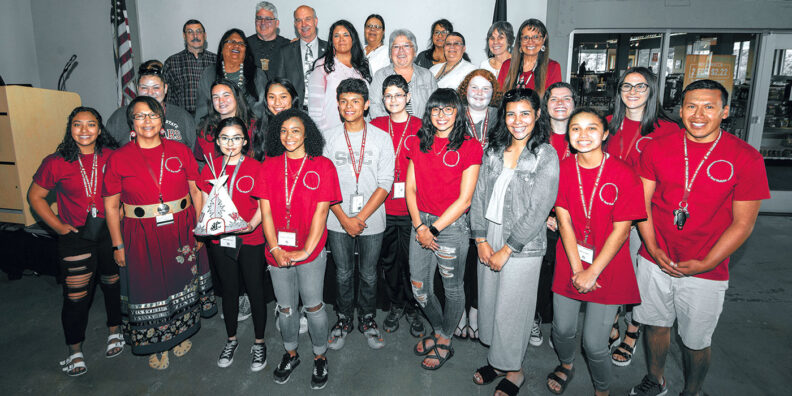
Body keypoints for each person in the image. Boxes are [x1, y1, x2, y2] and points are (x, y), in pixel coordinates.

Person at [629, 80, 769, 396]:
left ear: (725, 111)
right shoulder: (657, 147)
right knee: (655, 325)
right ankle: (655, 378)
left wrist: (707, 262)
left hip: (708, 268)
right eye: (691, 106)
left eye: (709, 106)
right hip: (655, 259)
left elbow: (743, 224)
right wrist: (651, 247)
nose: (699, 114)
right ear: (680, 111)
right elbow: (643, 203)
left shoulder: (746, 158)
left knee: (696, 341)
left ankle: (692, 390)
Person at [103, 96, 214, 370]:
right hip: (140, 233)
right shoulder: (119, 158)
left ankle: (179, 335)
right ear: (132, 124)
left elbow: (196, 190)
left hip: (181, 230)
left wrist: (199, 228)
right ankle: (157, 342)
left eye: (152, 115)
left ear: (162, 121)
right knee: (149, 287)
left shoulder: (179, 150)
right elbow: (111, 205)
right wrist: (118, 245)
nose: (147, 121)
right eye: (140, 116)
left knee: (180, 283)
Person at [546, 107, 645, 395]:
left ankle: (602, 389)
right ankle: (566, 363)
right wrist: (578, 269)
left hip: (608, 264)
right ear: (568, 134)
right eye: (576, 128)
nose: (583, 135)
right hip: (572, 258)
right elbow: (563, 219)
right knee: (562, 330)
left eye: (592, 128)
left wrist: (592, 271)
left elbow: (622, 230)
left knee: (594, 343)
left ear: (604, 134)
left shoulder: (624, 174)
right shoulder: (562, 169)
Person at [470, 88, 559, 396]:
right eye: (510, 114)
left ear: (537, 115)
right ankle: (498, 361)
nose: (517, 120)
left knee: (514, 308)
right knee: (492, 302)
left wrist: (508, 248)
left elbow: (539, 210)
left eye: (525, 113)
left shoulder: (545, 154)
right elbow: (479, 194)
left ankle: (515, 371)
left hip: (523, 241)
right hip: (490, 232)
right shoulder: (493, 150)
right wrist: (480, 238)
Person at [30, 107, 122, 377]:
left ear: (99, 128)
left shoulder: (111, 156)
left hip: (110, 232)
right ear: (70, 129)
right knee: (76, 296)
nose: (84, 130)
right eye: (78, 125)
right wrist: (58, 226)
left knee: (113, 285)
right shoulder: (55, 161)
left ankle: (115, 332)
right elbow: (35, 196)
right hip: (75, 238)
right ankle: (74, 350)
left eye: (91, 124)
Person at [255, 109, 341, 389]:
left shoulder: (323, 166)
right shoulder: (268, 166)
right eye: (283, 130)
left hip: (311, 251)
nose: (288, 136)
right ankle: (291, 353)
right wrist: (276, 247)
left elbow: (321, 214)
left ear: (307, 134)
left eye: (295, 130)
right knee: (287, 308)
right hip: (277, 251)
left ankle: (319, 356)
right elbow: (265, 214)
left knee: (314, 306)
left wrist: (305, 252)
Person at [605, 66, 680, 368]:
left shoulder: (668, 130)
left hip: (648, 215)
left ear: (651, 90)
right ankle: (610, 319)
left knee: (640, 276)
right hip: (610, 213)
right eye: (627, 86)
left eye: (640, 86)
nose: (633, 92)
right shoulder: (608, 124)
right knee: (611, 268)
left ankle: (634, 328)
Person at [407, 88, 482, 370]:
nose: (441, 115)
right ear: (429, 113)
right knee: (419, 289)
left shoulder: (469, 146)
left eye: (448, 109)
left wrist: (433, 230)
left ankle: (446, 340)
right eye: (436, 109)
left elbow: (465, 199)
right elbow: (411, 189)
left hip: (449, 227)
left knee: (452, 289)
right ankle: (440, 329)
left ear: (458, 112)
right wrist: (419, 226)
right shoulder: (420, 142)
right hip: (420, 224)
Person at [324, 78, 395, 351]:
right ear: (338, 105)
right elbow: (324, 183)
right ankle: (343, 319)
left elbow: (385, 182)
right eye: (343, 101)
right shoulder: (329, 137)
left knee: (368, 273)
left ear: (366, 105)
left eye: (355, 101)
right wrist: (344, 219)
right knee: (342, 273)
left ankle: (367, 318)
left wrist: (360, 218)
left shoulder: (381, 138)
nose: (349, 106)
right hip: (336, 217)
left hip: (372, 219)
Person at [198, 117, 272, 371]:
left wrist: (252, 224)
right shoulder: (210, 168)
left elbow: (265, 205)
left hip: (251, 238)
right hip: (221, 241)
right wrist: (206, 227)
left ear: (245, 140)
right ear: (217, 141)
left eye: (237, 138)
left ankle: (259, 342)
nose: (231, 143)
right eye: (225, 138)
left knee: (255, 291)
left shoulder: (256, 167)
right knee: (229, 291)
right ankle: (231, 339)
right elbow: (206, 205)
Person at [371, 74, 426, 337]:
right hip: (383, 209)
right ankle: (395, 305)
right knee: (390, 261)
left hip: (412, 209)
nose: (393, 100)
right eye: (388, 96)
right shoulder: (376, 125)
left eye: (398, 95)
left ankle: (414, 307)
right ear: (383, 99)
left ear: (408, 97)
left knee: (412, 263)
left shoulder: (421, 126)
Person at [454, 68, 501, 341]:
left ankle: (476, 311)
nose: (480, 93)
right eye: (474, 88)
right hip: (459, 194)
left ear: (493, 93)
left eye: (486, 88)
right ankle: (458, 310)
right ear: (465, 91)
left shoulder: (502, 118)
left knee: (480, 259)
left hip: (491, 197)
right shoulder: (455, 115)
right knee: (458, 257)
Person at [532, 81, 577, 347]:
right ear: (546, 106)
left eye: (566, 98)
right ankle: (536, 319)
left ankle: (561, 328)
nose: (560, 103)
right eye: (554, 99)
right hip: (544, 218)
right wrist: (546, 215)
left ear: (574, 103)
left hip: (575, 217)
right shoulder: (536, 137)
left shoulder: (584, 134)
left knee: (570, 273)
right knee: (542, 273)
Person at [107, 61, 196, 148]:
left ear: (165, 88)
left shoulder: (183, 117)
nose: (150, 93)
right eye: (144, 88)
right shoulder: (119, 118)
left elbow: (194, 157)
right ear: (137, 88)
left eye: (156, 87)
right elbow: (107, 154)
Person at [307, 19, 372, 132]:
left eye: (346, 35)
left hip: (360, 132)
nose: (341, 39)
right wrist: (325, 135)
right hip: (331, 132)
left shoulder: (363, 65)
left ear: (353, 39)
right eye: (336, 36)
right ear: (332, 41)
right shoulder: (322, 66)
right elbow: (314, 111)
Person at [195, 28, 269, 122]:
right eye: (231, 41)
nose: (236, 45)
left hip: (250, 130)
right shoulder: (209, 73)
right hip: (216, 129)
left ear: (246, 51)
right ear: (222, 48)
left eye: (241, 44)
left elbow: (261, 109)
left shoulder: (258, 75)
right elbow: (202, 110)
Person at [369, 29, 438, 119]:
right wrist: (392, 128)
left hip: (421, 130)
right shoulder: (380, 76)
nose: (401, 50)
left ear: (415, 52)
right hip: (388, 131)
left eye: (406, 46)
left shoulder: (427, 76)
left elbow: (436, 107)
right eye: (396, 46)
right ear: (390, 54)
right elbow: (374, 107)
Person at [195, 79, 263, 165]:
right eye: (216, 97)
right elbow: (200, 161)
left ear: (237, 97)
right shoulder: (205, 129)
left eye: (226, 95)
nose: (221, 101)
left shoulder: (255, 126)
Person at [271, 5, 327, 108]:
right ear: (295, 24)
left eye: (307, 19)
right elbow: (279, 86)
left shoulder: (329, 49)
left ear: (315, 21)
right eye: (299, 20)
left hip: (325, 112)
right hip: (296, 112)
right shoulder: (285, 52)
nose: (303, 24)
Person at [163, 19, 218, 115]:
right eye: (190, 32)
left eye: (198, 32)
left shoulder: (216, 60)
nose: (195, 36)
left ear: (205, 35)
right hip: (183, 117)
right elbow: (167, 97)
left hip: (211, 116)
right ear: (184, 36)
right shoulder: (172, 62)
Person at [498, 19, 561, 97]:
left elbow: (553, 100)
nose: (530, 42)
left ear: (543, 39)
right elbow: (499, 99)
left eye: (535, 37)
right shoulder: (507, 65)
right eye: (525, 37)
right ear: (520, 41)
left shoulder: (553, 67)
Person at [247, 1, 290, 73]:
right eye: (259, 18)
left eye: (268, 19)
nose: (263, 22)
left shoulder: (288, 46)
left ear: (277, 23)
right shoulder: (245, 45)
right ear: (255, 21)